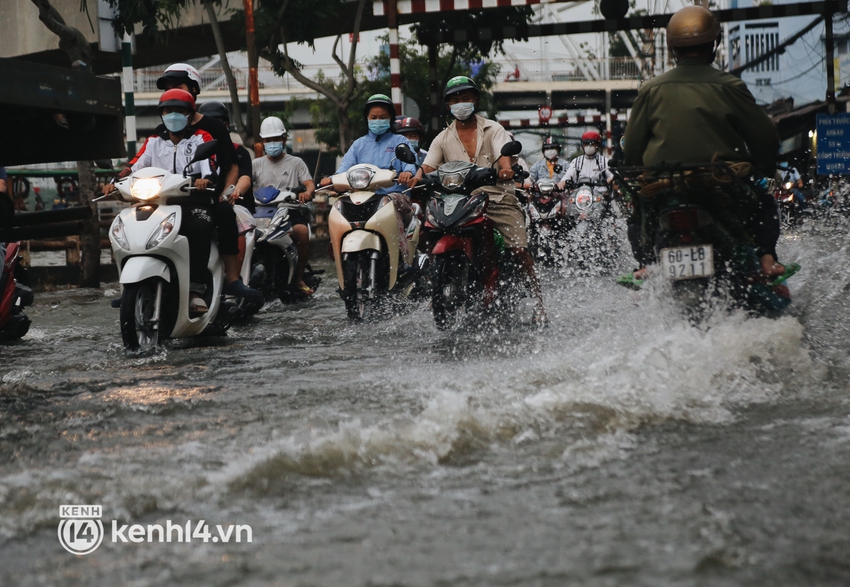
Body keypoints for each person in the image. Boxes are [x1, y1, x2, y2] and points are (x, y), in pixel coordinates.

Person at [623, 5, 783, 280]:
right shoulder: (730, 86)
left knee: (638, 210)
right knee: (764, 203)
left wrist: (636, 173)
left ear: (673, 48)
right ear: (713, 44)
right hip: (723, 186)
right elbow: (765, 139)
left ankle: (646, 265)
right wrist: (765, 166)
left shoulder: (650, 89)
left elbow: (633, 149)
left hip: (664, 189)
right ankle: (767, 259)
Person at [102, 89, 261, 314]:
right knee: (125, 227)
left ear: (189, 114)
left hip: (193, 202)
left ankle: (196, 290)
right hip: (159, 203)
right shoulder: (154, 141)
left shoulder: (202, 139)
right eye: (168, 111)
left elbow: (211, 167)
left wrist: (205, 180)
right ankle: (130, 285)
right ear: (161, 114)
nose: (173, 115)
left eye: (179, 111)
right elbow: (134, 165)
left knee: (200, 225)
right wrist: (115, 181)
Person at [410, 76, 547, 324]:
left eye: (465, 99)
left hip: (497, 197)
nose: (461, 104)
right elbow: (428, 168)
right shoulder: (442, 138)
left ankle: (539, 304)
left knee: (518, 249)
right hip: (459, 200)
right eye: (455, 100)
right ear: (448, 105)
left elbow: (504, 156)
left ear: (475, 100)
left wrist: (505, 169)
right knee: (430, 232)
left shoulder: (493, 129)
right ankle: (436, 284)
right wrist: (414, 177)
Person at [319, 94, 417, 260]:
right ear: (367, 118)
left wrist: (407, 173)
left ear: (391, 118)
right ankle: (339, 253)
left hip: (394, 197)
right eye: (374, 117)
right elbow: (343, 170)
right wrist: (332, 180)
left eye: (383, 117)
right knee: (340, 207)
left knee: (389, 204)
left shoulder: (400, 141)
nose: (378, 120)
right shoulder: (358, 145)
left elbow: (410, 165)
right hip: (363, 199)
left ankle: (401, 258)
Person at [252, 116, 317, 295]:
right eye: (268, 140)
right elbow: (244, 183)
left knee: (302, 233)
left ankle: (298, 277)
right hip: (262, 214)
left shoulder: (296, 163)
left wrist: (306, 193)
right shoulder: (255, 164)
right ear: (262, 142)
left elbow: (309, 183)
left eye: (276, 139)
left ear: (284, 139)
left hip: (290, 211)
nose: (272, 143)